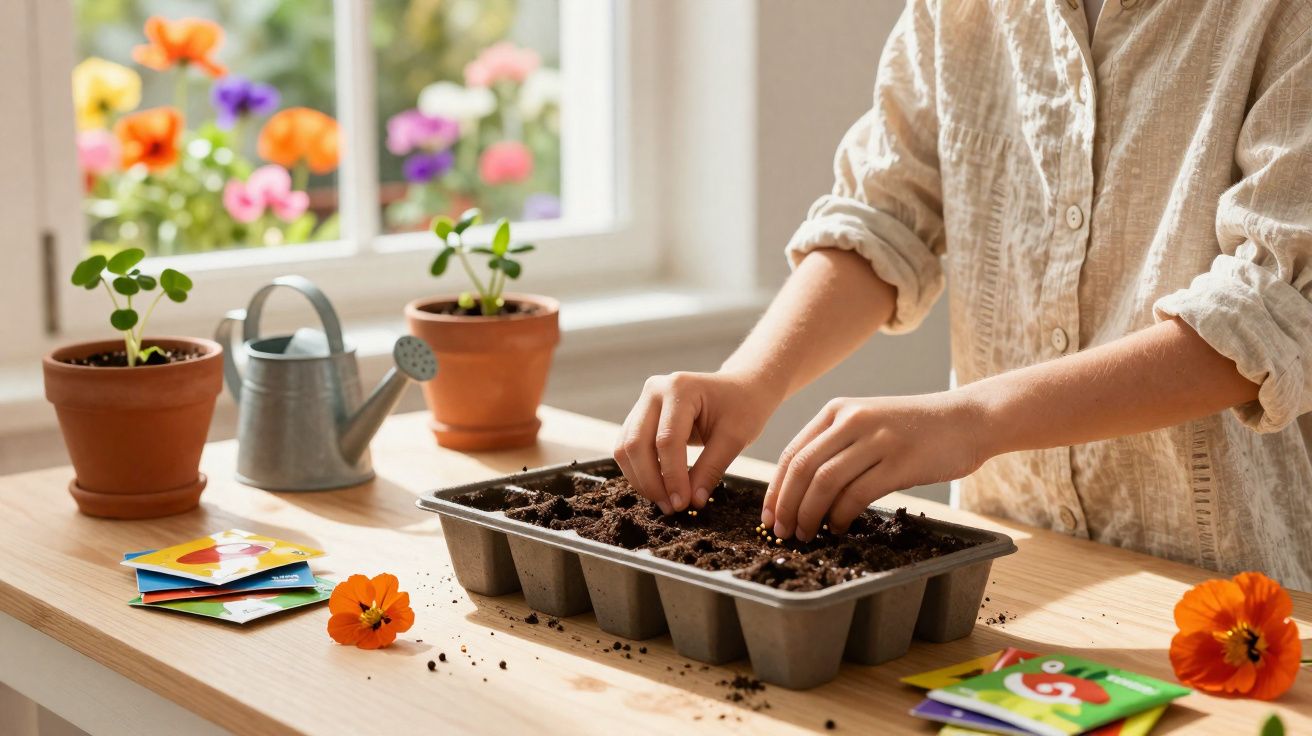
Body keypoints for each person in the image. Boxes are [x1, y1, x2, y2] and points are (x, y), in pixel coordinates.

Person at [613, 0, 1312, 591]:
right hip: (1003, 566)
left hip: (1232, 594)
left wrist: (973, 418)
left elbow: (1268, 310)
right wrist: (750, 380)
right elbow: (886, 214)